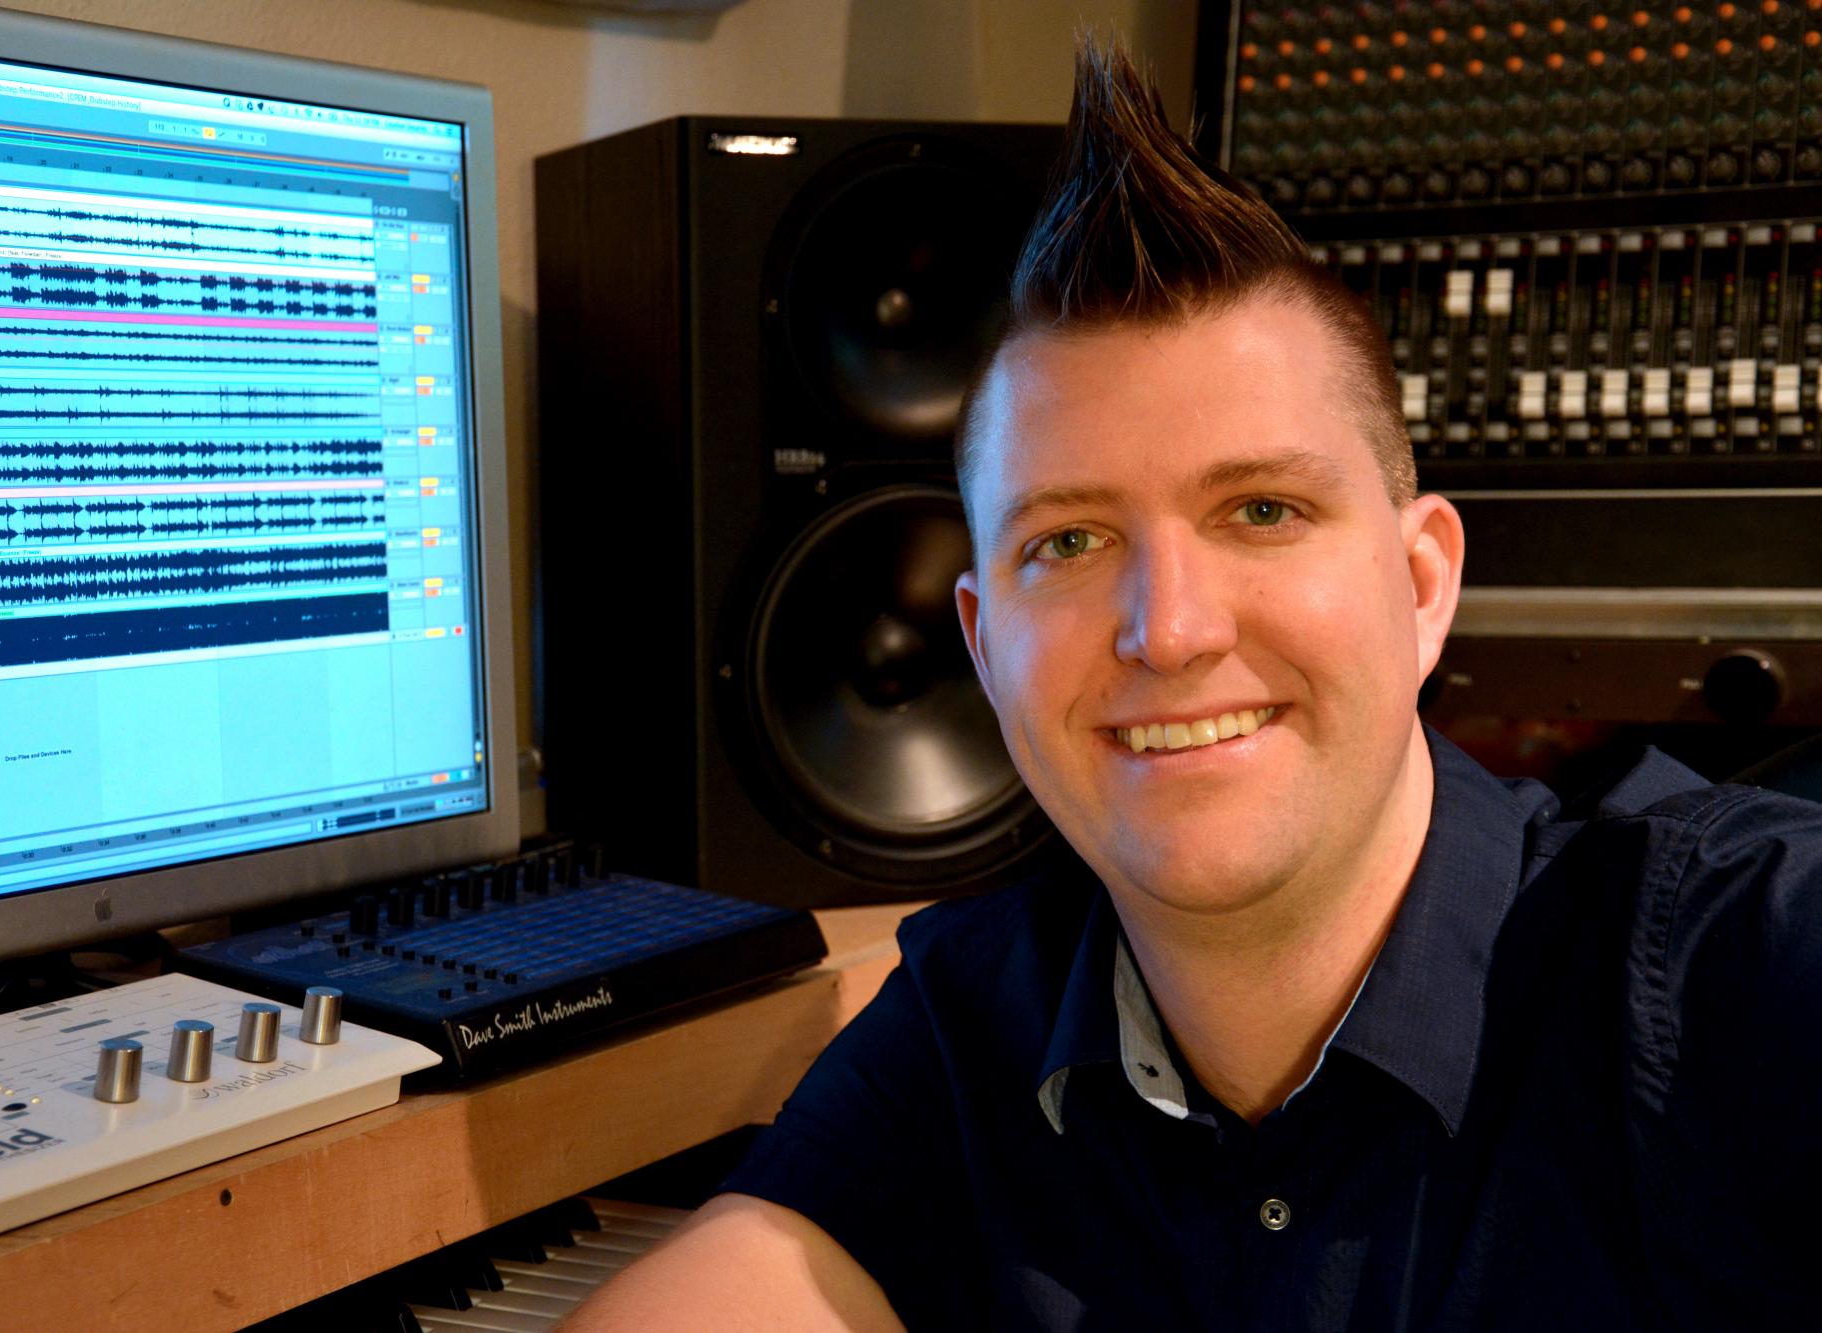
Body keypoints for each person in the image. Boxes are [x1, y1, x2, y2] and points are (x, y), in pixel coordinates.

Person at [564, 40, 1822, 1332]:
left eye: (1261, 509)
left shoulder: (1740, 959)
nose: (1165, 629)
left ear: (1421, 584)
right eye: (1069, 540)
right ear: (983, 647)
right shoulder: (969, 1019)